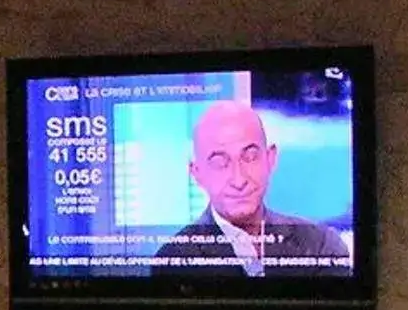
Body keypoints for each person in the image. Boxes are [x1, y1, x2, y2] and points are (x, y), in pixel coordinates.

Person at [150, 101, 351, 275]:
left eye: (250, 156)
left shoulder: (320, 245)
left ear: (270, 159)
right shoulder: (173, 260)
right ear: (197, 173)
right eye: (220, 162)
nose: (239, 180)